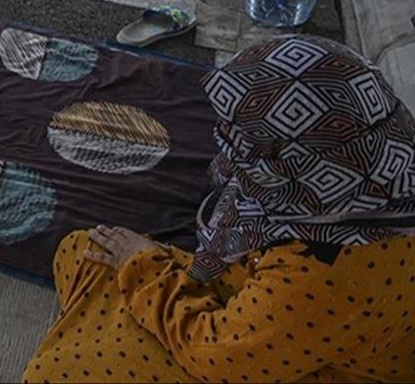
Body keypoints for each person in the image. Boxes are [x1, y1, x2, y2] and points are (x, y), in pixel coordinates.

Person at [23, 36, 415, 383]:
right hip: (264, 316)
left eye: (246, 142)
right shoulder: (359, 179)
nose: (224, 140)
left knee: (55, 373)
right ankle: (101, 329)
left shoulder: (326, 274)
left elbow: (220, 358)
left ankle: (94, 334)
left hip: (293, 363)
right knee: (85, 251)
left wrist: (143, 268)